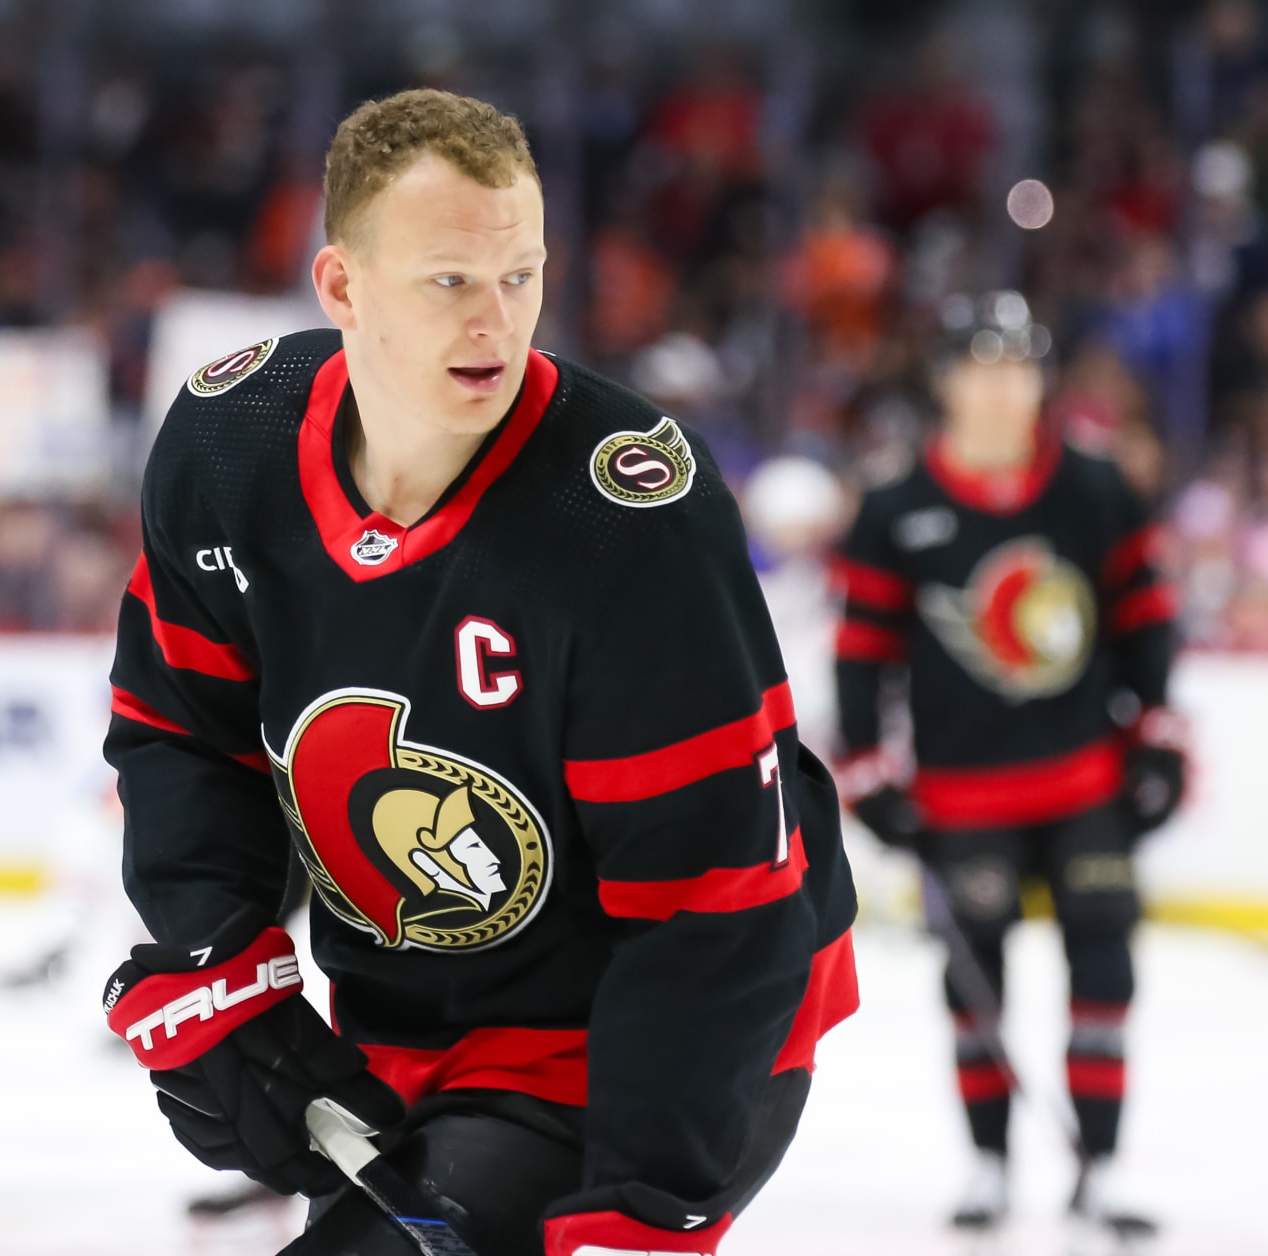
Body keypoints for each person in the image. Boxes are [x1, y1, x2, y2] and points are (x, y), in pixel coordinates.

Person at [100, 88, 858, 1256]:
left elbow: (714, 904)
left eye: (521, 275)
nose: (495, 322)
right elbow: (184, 731)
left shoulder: (621, 517)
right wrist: (219, 955)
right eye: (450, 279)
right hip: (402, 1019)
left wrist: (646, 1202)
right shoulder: (227, 445)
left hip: (641, 1037)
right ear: (342, 285)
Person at [833, 293, 1185, 1236]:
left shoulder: (1097, 487)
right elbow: (863, 651)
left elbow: (1147, 618)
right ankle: (988, 1164)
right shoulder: (896, 506)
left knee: (1105, 967)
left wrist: (1158, 735)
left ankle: (1100, 1168)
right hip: (962, 797)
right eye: (981, 369)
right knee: (973, 985)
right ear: (946, 382)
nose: (1001, 389)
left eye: (1018, 368)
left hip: (1085, 783)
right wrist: (867, 771)